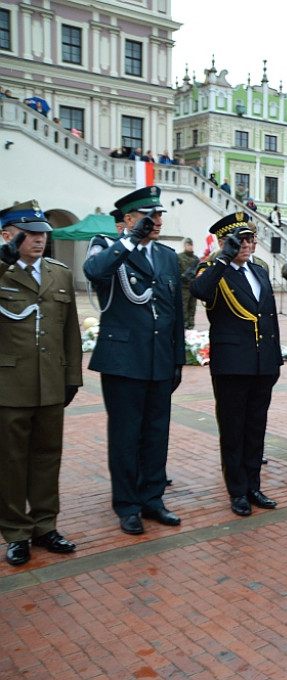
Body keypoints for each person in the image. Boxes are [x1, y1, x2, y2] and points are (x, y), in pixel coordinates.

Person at [83, 187, 185, 535]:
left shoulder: (168, 256)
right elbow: (95, 272)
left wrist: (177, 358)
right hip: (124, 361)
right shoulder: (107, 247)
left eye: (158, 216)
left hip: (158, 360)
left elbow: (175, 310)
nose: (156, 221)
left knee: (156, 434)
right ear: (128, 219)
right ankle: (127, 505)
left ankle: (152, 499)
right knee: (126, 436)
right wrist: (129, 241)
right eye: (148, 216)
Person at [0, 202, 83, 566]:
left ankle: (45, 525)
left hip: (50, 383)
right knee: (11, 461)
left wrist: (71, 377)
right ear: (7, 235)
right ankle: (16, 532)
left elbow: (71, 332)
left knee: (48, 457)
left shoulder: (59, 273)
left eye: (42, 233)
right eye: (29, 233)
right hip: (9, 385)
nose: (39, 239)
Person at [190, 216, 282, 516]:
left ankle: (254, 486)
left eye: (250, 239)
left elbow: (269, 317)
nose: (247, 244)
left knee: (256, 428)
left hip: (261, 365)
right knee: (233, 430)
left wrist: (274, 360)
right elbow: (199, 291)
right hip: (232, 366)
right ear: (224, 243)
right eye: (239, 240)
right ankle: (238, 491)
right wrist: (222, 259)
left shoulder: (259, 271)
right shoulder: (214, 271)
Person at [177, 238, 199, 329]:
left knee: (192, 307)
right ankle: (184, 324)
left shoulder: (195, 259)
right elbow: (176, 270)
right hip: (183, 287)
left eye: (191, 245)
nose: (190, 247)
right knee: (184, 306)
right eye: (188, 245)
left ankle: (191, 325)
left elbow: (198, 271)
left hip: (192, 286)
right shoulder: (179, 257)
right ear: (184, 246)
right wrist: (182, 276)